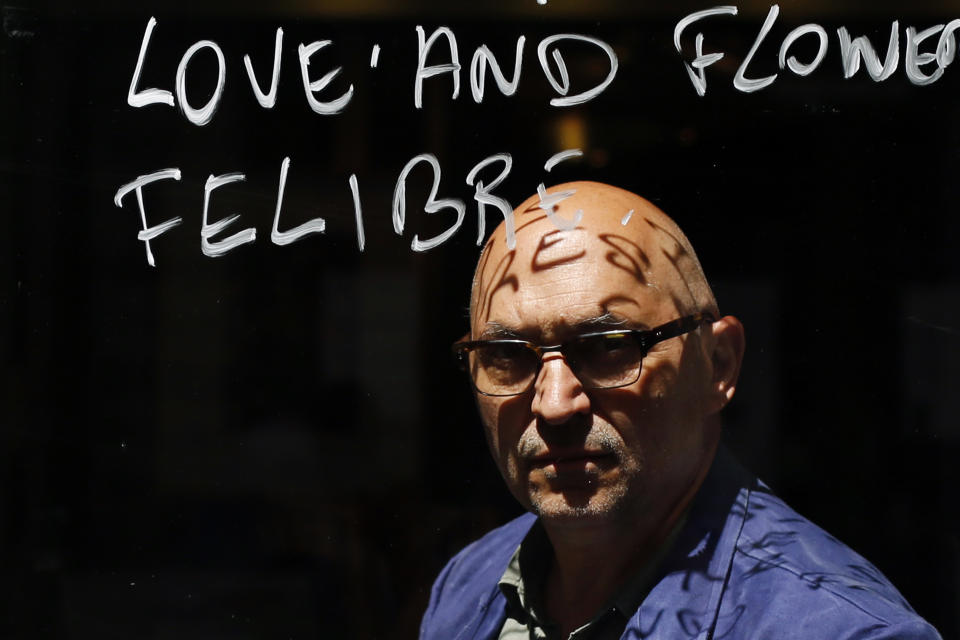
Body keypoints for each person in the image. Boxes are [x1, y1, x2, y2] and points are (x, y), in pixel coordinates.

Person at [420, 182, 941, 640]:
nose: (555, 404)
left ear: (719, 364)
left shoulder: (841, 630)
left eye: (609, 346)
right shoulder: (469, 586)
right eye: (506, 355)